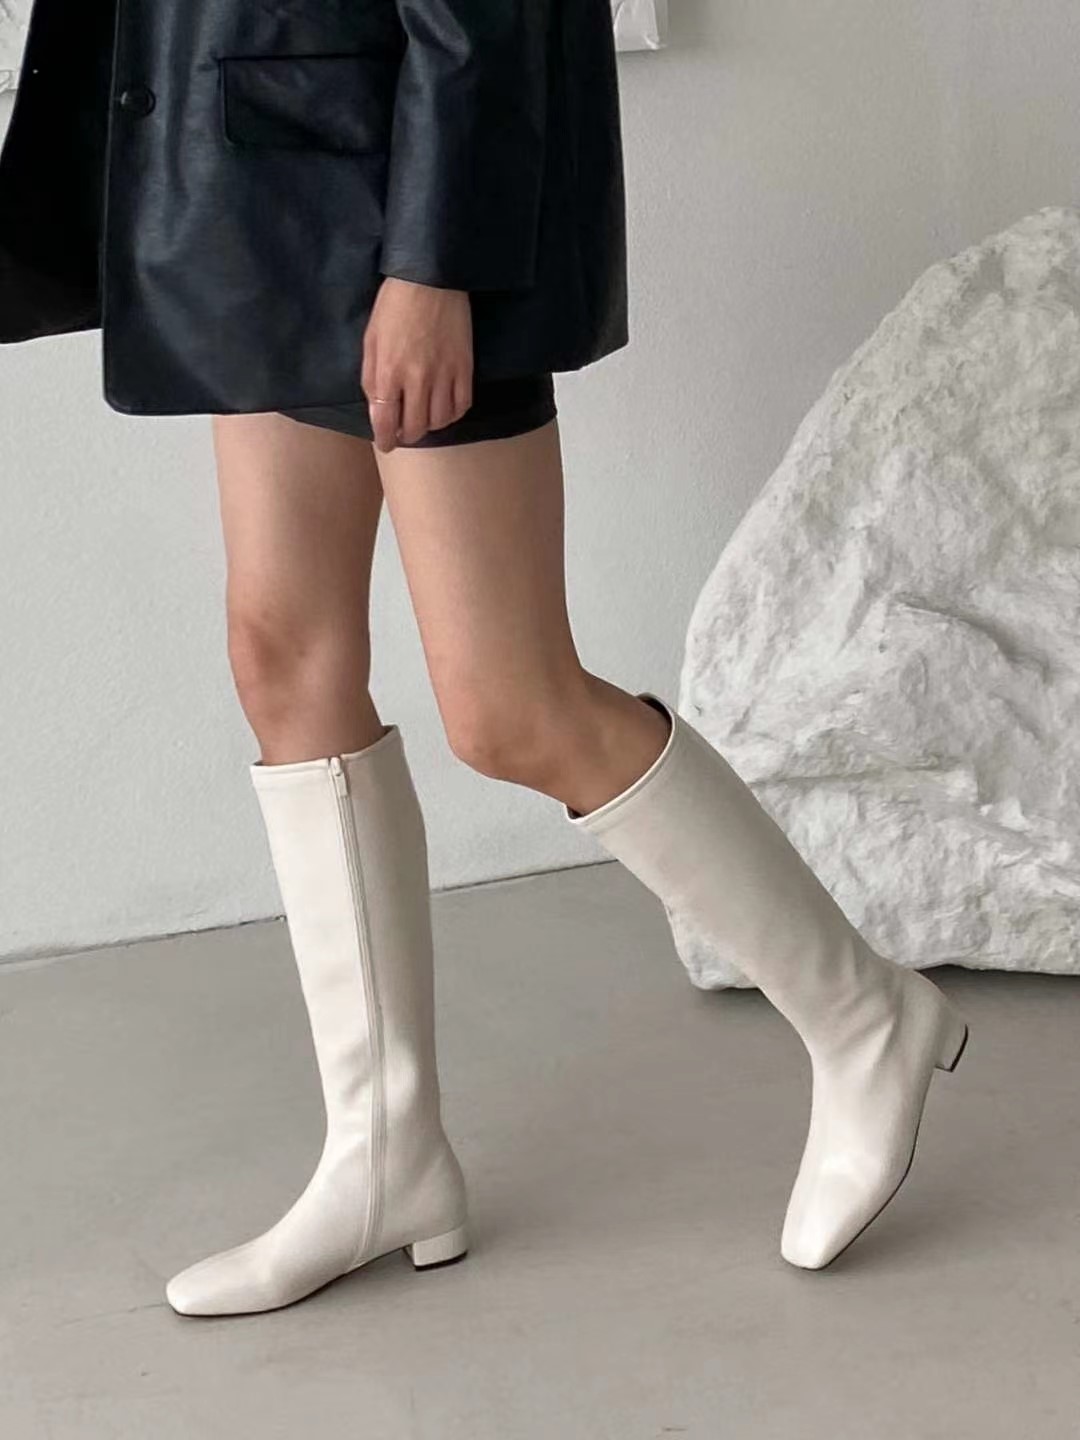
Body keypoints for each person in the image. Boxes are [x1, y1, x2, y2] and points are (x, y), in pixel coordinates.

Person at [0, 0, 968, 1318]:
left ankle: (864, 1015)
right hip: (250, 176)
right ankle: (383, 1155)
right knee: (281, 659)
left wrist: (434, 262)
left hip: (396, 198)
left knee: (509, 703)